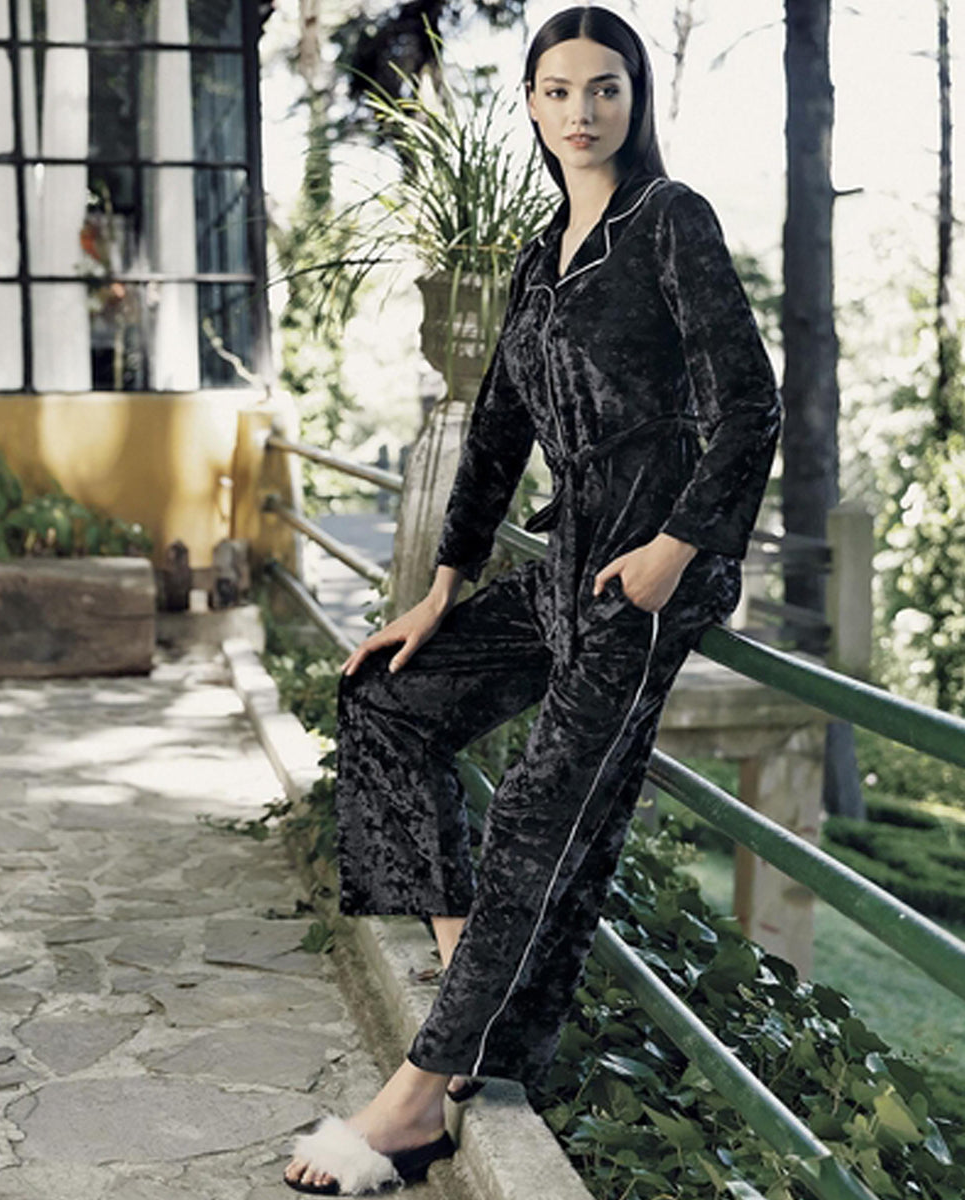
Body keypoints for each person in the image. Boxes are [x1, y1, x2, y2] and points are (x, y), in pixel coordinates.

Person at [283, 5, 781, 1194]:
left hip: (643, 581)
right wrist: (441, 590)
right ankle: (475, 985)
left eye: (604, 87)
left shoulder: (671, 221)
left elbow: (750, 405)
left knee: (535, 816)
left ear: (635, 97)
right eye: (558, 91)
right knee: (388, 702)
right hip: (564, 566)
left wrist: (675, 548)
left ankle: (417, 1103)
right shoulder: (539, 253)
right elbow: (498, 430)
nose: (581, 111)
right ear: (531, 105)